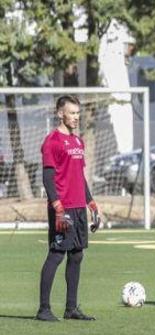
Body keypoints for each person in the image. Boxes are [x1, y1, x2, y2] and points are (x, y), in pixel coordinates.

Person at [36, 95, 102, 322]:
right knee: (56, 255)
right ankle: (43, 309)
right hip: (62, 208)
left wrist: (91, 203)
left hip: (78, 208)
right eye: (71, 113)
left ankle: (71, 308)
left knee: (77, 255)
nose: (76, 117)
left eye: (77, 113)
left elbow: (79, 177)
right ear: (60, 113)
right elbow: (48, 177)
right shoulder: (52, 141)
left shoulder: (78, 141)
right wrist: (57, 207)